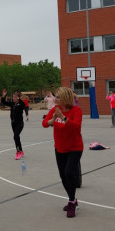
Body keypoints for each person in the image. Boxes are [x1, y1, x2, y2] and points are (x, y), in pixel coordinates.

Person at [42, 87, 83, 218]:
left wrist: (62, 117)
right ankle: (73, 199)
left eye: (58, 97)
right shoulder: (55, 110)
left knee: (69, 172)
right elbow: (44, 124)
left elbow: (76, 127)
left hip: (75, 147)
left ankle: (71, 203)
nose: (56, 99)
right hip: (60, 147)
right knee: (63, 176)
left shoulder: (76, 110)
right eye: (56, 97)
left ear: (65, 98)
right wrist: (52, 120)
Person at [1, 89, 26, 159]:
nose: (13, 98)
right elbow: (3, 102)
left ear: (17, 98)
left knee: (15, 136)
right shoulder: (12, 104)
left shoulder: (20, 104)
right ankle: (21, 151)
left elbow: (24, 105)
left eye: (15, 97)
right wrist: (3, 95)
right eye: (13, 97)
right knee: (17, 137)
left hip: (20, 123)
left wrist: (20, 99)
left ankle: (18, 152)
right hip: (13, 123)